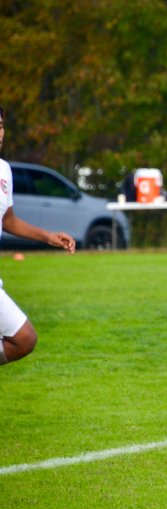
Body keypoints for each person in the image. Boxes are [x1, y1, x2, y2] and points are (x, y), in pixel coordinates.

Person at [0, 106, 76, 366]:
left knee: (24, 339)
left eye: (0, 126)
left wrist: (48, 236)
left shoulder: (4, 171)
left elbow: (7, 220)